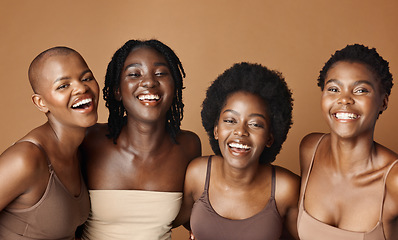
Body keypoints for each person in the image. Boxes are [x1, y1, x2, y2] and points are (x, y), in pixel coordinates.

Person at [80, 39, 201, 240]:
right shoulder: (89, 140)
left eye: (161, 73)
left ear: (175, 86)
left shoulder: (188, 146)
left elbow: (189, 214)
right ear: (117, 91)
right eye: (134, 74)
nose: (149, 82)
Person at [174, 62, 300, 240]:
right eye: (230, 120)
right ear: (216, 129)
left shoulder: (286, 188)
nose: (240, 131)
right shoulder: (197, 174)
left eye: (255, 124)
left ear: (270, 137)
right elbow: (168, 221)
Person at [297, 44, 398, 240]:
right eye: (334, 88)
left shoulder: (394, 180)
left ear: (383, 102)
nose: (344, 99)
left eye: (360, 90)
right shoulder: (310, 149)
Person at [0, 46, 99, 239]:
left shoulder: (79, 152)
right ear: (40, 102)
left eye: (86, 78)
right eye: (63, 85)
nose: (81, 88)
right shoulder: (26, 158)